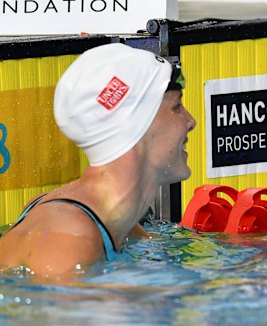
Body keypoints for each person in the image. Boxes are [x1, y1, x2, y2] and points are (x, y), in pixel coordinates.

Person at [0, 43, 196, 281]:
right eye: (177, 106)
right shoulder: (67, 240)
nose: (191, 121)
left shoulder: (116, 223)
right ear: (135, 124)